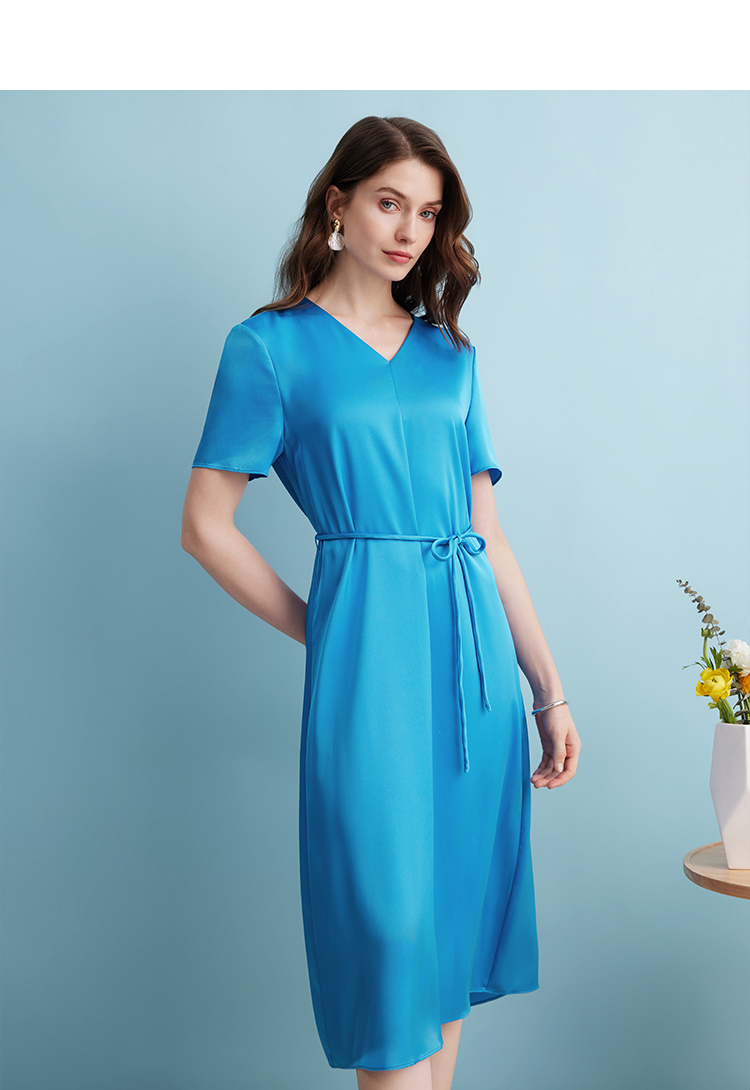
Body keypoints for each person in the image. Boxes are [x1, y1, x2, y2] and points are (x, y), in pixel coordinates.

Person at [181, 115, 581, 1090]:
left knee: (444, 956)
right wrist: (325, 629)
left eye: (428, 212)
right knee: (390, 941)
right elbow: (205, 526)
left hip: (476, 679)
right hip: (370, 674)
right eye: (389, 202)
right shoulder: (269, 348)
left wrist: (548, 690)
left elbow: (488, 538)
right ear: (339, 204)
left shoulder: (451, 356)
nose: (409, 230)